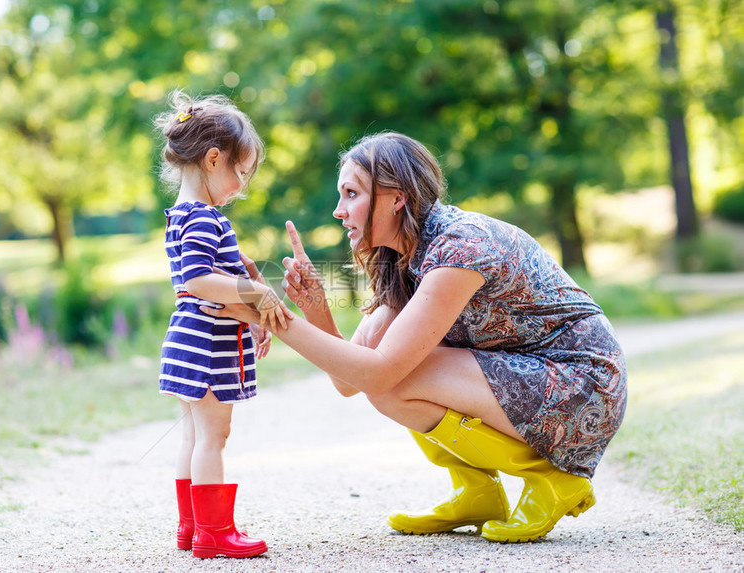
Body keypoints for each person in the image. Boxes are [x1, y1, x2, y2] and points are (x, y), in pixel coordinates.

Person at [202, 131, 628, 543]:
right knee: (388, 377)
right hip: (543, 384)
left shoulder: (458, 248)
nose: (338, 210)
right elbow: (349, 380)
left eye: (351, 194)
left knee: (396, 380)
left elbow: (379, 374)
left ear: (396, 198)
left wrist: (271, 314)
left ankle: (551, 479)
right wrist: (314, 306)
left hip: (582, 386)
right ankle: (478, 494)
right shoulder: (407, 256)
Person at [154, 90, 293, 559]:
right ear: (213, 159)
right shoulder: (205, 218)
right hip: (207, 347)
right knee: (214, 436)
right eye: (240, 171)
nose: (241, 185)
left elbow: (219, 274)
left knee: (194, 435)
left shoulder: (182, 216)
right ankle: (214, 533)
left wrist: (252, 306)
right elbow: (198, 278)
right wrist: (260, 294)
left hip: (188, 340)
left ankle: (191, 528)